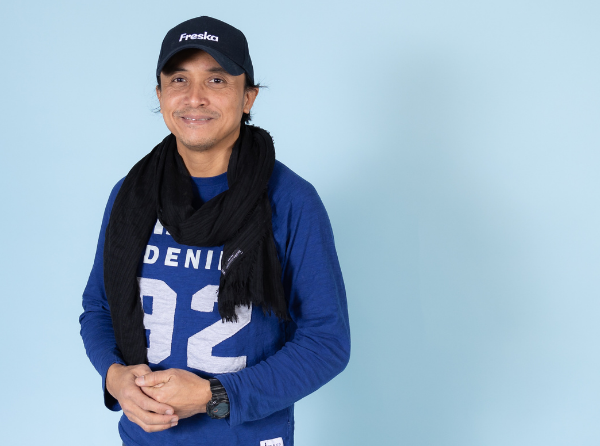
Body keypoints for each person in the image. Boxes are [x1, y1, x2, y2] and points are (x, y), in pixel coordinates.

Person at [79, 16, 350, 446]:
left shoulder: (290, 200)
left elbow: (326, 343)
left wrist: (214, 395)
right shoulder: (131, 195)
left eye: (217, 80)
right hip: (144, 438)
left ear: (248, 97)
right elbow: (98, 307)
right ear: (160, 95)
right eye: (178, 79)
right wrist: (115, 377)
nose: (195, 97)